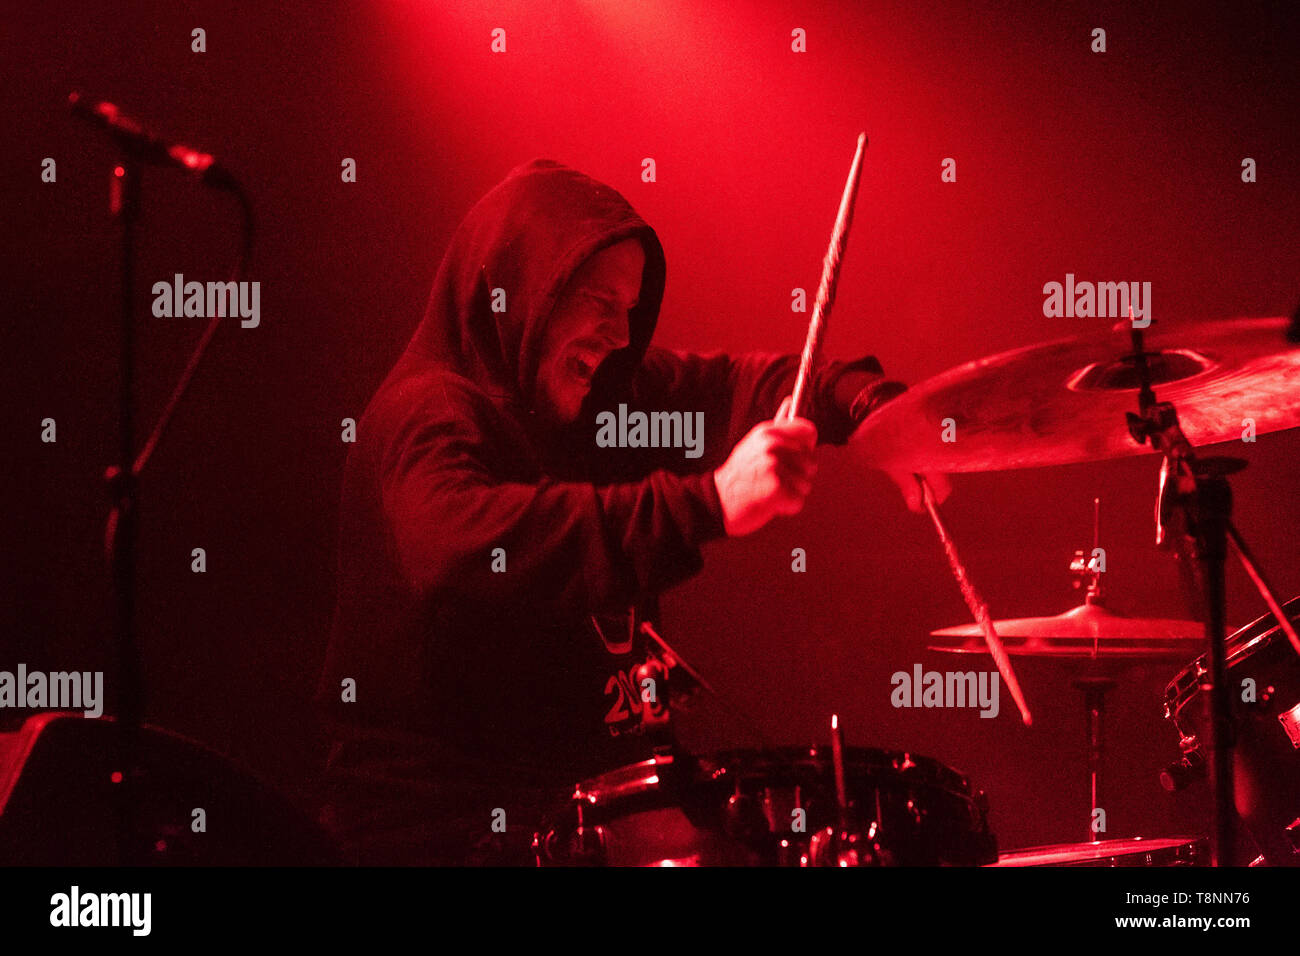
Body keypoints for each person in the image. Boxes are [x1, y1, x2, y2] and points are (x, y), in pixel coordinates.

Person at [314, 158, 948, 865]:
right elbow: (468, 544)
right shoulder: (426, 413)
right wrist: (709, 502)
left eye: (630, 308)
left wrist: (872, 408)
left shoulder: (596, 403)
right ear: (522, 289)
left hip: (570, 825)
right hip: (438, 839)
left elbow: (736, 384)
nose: (619, 334)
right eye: (597, 300)